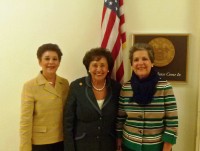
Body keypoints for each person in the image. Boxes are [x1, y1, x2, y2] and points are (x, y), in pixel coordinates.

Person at [116, 43, 178, 151]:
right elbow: (120, 119)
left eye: (145, 59)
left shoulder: (164, 87)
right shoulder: (126, 88)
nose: (140, 63)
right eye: (136, 60)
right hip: (128, 146)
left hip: (157, 147)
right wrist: (119, 144)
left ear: (152, 62)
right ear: (131, 65)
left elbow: (172, 122)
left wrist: (167, 149)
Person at [63, 47, 121, 151]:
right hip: (82, 146)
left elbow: (119, 118)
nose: (99, 69)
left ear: (108, 68)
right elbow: (68, 122)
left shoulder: (116, 87)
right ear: (88, 68)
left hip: (108, 146)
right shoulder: (77, 87)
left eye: (103, 65)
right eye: (94, 65)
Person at [20, 43, 69, 151]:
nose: (51, 62)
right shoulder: (30, 86)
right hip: (40, 142)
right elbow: (25, 121)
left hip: (62, 140)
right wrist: (25, 147)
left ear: (59, 62)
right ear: (39, 61)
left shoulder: (65, 84)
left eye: (55, 59)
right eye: (47, 58)